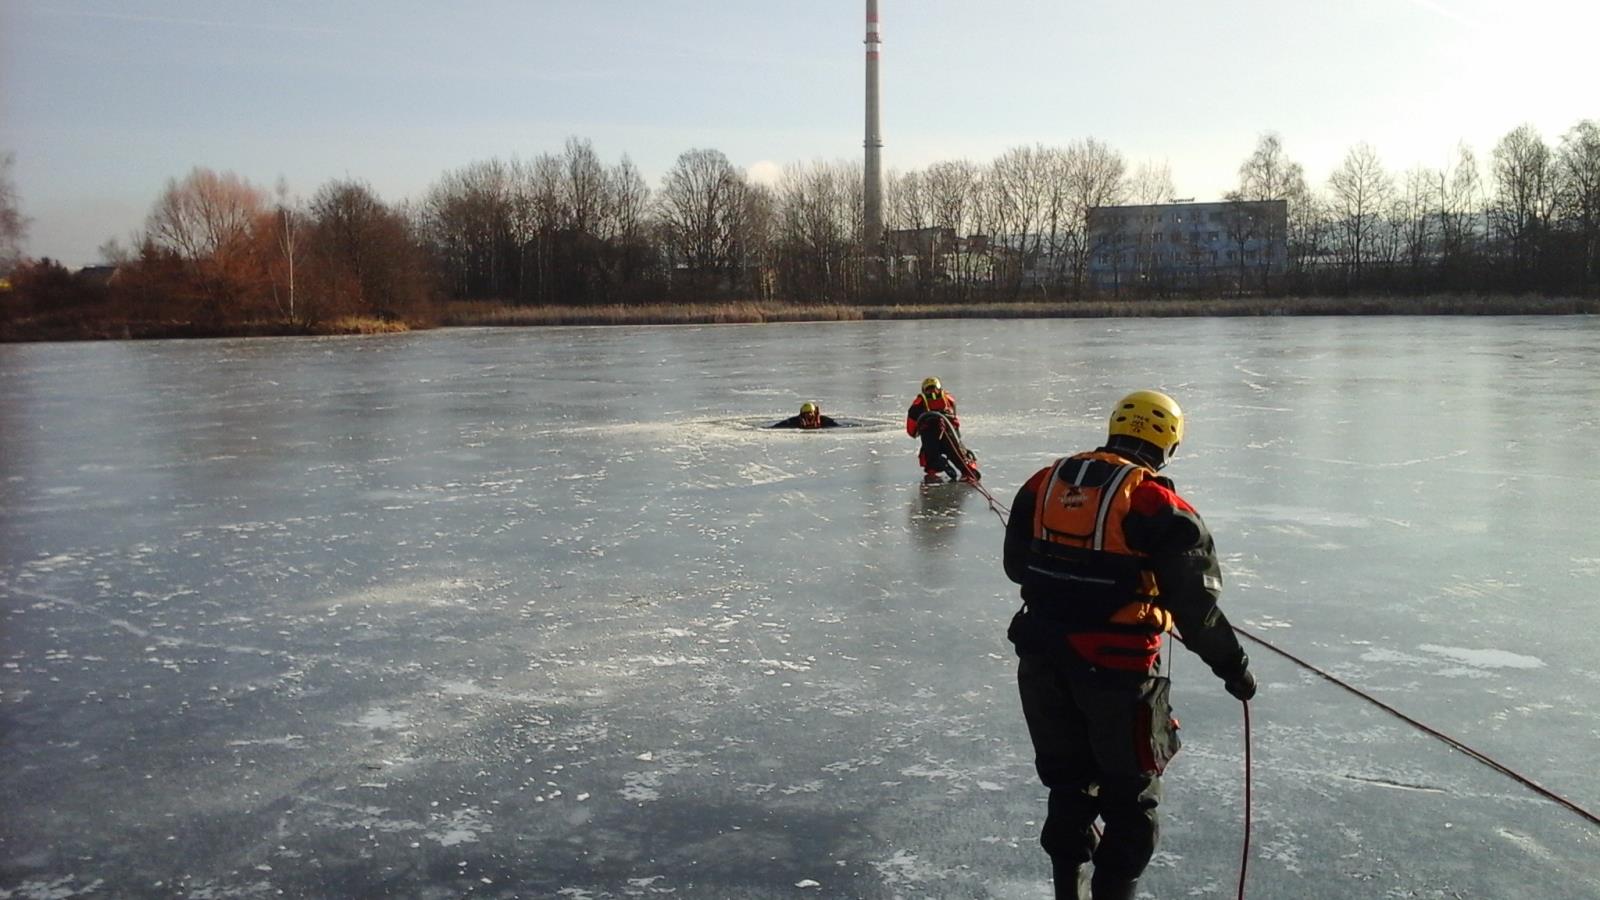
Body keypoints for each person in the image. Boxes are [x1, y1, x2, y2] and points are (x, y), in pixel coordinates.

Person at [1003, 390, 1256, 900]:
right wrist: (1234, 668)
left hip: (1041, 662)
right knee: (1131, 802)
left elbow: (1015, 567)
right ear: (1168, 442)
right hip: (1116, 675)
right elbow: (1196, 608)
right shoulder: (1154, 502)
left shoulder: (1046, 480)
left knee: (1070, 787)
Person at [906, 377, 965, 481]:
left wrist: (917, 431)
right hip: (948, 432)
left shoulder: (918, 403)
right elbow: (955, 420)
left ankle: (936, 469)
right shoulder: (948, 399)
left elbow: (911, 429)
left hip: (930, 435)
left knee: (931, 456)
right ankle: (968, 471)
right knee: (957, 454)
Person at [770, 401, 840, 430]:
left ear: (814, 413)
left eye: (810, 412)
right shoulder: (795, 421)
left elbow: (837, 425)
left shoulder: (824, 420)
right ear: (803, 414)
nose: (809, 415)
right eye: (806, 413)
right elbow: (782, 424)